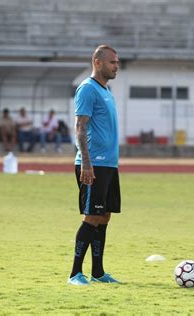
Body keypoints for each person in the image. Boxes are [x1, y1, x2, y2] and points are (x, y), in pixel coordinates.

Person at [68, 44, 121, 286]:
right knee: (91, 216)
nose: (116, 66)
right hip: (93, 164)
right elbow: (80, 126)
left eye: (117, 63)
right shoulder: (87, 89)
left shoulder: (107, 90)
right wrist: (86, 164)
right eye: (112, 62)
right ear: (97, 63)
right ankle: (74, 274)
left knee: (104, 216)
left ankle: (98, 273)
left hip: (109, 164)